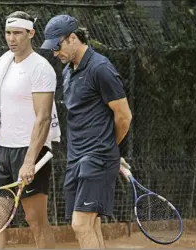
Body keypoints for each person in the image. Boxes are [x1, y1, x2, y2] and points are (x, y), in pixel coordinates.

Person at [41, 15, 132, 249]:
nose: (55, 53)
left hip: (97, 157)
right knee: (91, 225)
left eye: (57, 46)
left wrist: (111, 149)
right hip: (76, 158)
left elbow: (124, 116)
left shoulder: (100, 68)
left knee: (80, 225)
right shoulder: (68, 71)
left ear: (73, 38)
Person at [0, 11, 61, 249]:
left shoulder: (40, 68)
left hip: (30, 152)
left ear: (31, 33)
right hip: (2, 152)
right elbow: (2, 110)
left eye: (17, 33)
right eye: (8, 33)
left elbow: (43, 118)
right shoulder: (3, 64)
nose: (11, 38)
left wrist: (29, 161)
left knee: (35, 221)